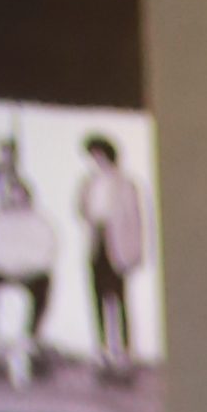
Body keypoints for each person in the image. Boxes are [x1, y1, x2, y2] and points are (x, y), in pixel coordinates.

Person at [0, 139, 57, 373]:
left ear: (27, 197)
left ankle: (30, 338)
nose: (14, 200)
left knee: (45, 283)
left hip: (30, 273)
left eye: (19, 196)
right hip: (0, 269)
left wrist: (29, 267)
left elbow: (49, 250)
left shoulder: (39, 221)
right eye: (10, 196)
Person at [75, 135, 151, 377]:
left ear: (108, 155)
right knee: (97, 296)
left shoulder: (126, 184)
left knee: (119, 298)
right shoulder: (89, 182)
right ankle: (102, 349)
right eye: (92, 156)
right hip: (97, 241)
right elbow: (82, 211)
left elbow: (136, 220)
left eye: (98, 155)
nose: (94, 160)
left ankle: (125, 352)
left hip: (118, 246)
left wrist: (135, 253)